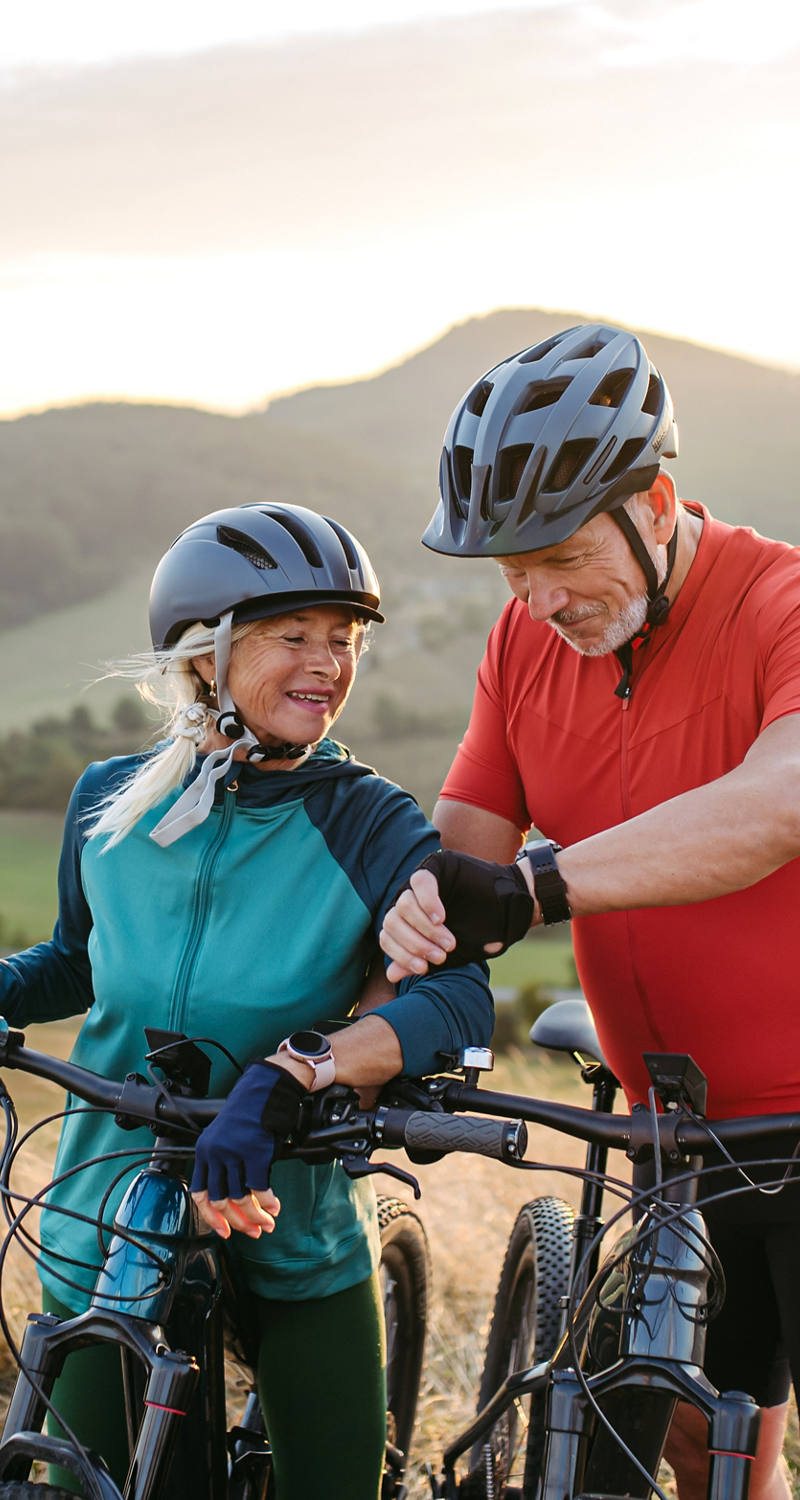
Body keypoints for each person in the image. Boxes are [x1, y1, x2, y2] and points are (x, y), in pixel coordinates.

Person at [378, 323, 800, 1500]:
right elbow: (462, 861)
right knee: (689, 1441)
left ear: (654, 502)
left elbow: (779, 800)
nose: (536, 598)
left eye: (560, 557)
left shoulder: (779, 600)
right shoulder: (521, 641)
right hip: (668, 1140)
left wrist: (539, 886)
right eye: (509, 570)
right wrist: (418, 919)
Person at [0, 501, 493, 1500]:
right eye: (292, 636)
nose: (327, 663)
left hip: (289, 1202)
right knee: (82, 1480)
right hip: (109, 1201)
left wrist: (293, 1076)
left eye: (342, 640)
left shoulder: (365, 817)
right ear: (205, 658)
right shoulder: (109, 799)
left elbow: (457, 998)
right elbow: (79, 962)